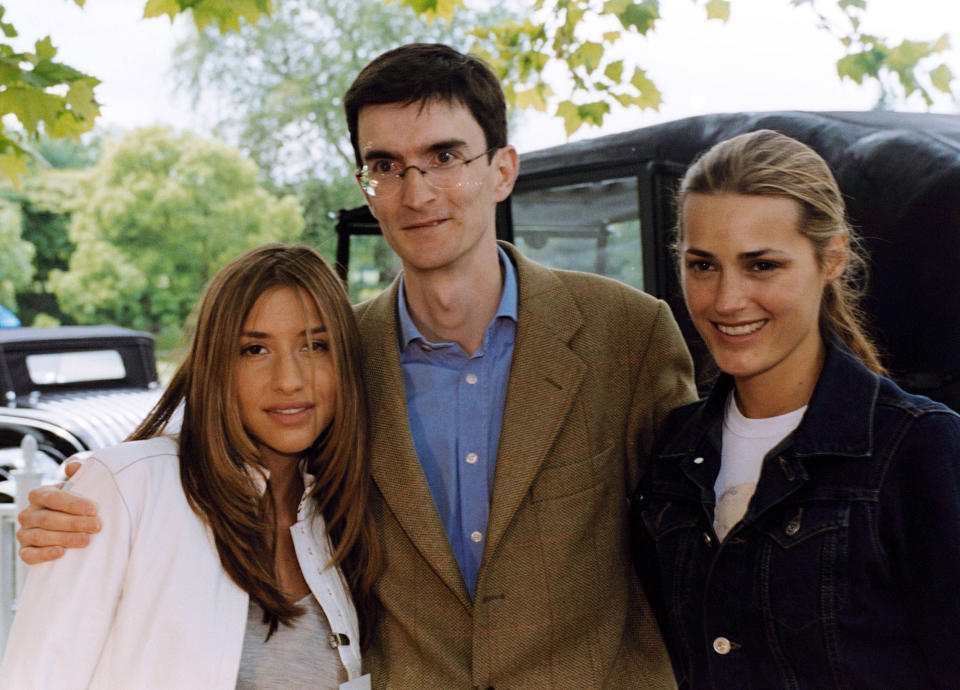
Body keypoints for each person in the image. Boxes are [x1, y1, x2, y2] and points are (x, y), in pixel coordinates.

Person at [17, 44, 696, 687]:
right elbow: (237, 435)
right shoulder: (338, 354)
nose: (417, 190)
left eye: (444, 156)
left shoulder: (628, 335)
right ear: (366, 186)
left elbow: (701, 533)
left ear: (502, 169)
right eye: (386, 165)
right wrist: (99, 495)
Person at [631, 129, 960, 689]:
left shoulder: (919, 447)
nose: (726, 300)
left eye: (762, 266)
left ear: (832, 259)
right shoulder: (672, 452)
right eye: (702, 265)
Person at [2, 244, 377, 689]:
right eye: (255, 349)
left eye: (315, 346)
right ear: (217, 364)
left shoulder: (342, 521)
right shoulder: (129, 492)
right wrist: (101, 480)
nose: (290, 380)